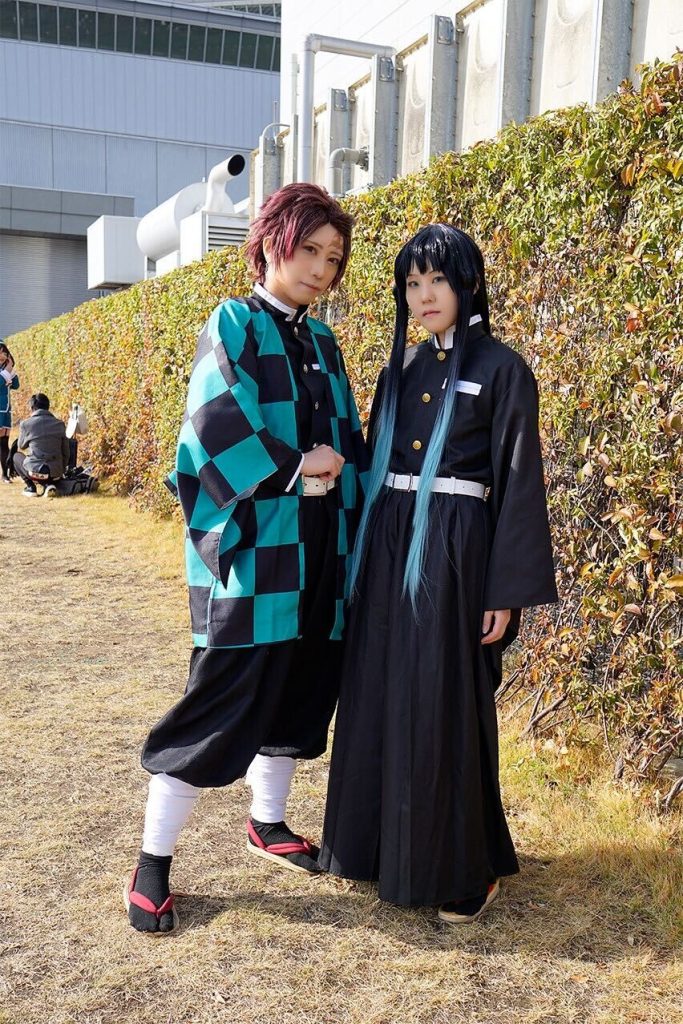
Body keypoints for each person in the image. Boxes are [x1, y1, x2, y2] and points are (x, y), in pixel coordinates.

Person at [125, 183, 369, 934]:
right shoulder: (234, 321)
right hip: (254, 554)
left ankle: (267, 822)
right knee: (220, 699)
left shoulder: (323, 343)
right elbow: (212, 424)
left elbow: (350, 442)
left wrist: (345, 483)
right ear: (270, 245)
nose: (321, 269)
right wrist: (299, 466)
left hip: (319, 548)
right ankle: (152, 863)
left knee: (299, 688)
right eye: (309, 250)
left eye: (333, 258)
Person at [318, 224, 558, 924]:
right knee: (381, 689)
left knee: (442, 698)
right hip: (388, 543)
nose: (423, 296)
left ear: (468, 283)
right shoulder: (401, 368)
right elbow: (370, 462)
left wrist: (504, 591)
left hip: (456, 554)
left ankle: (462, 867)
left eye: (437, 280)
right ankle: (375, 848)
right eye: (412, 284)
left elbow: (519, 482)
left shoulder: (504, 369)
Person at [13, 393, 70, 498]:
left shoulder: (26, 424)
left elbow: (21, 446)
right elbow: (66, 452)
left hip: (35, 472)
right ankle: (49, 485)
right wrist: (62, 470)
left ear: (32, 408)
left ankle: (31, 487)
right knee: (47, 468)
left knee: (16, 456)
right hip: (55, 473)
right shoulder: (60, 424)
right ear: (48, 407)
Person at [0, 342, 19, 483]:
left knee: (5, 442)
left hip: (6, 409)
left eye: (4, 353)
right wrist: (6, 371)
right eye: (0, 352)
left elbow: (16, 385)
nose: (2, 355)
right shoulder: (3, 371)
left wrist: (10, 369)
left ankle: (5, 474)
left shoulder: (5, 369)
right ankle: (5, 475)